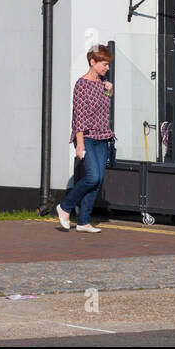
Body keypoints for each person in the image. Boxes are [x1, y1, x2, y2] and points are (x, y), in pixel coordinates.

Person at [55, 45, 116, 233]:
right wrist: (79, 144)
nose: (107, 68)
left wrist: (110, 91)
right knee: (92, 177)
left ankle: (83, 222)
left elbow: (104, 108)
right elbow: (79, 116)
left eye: (108, 64)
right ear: (93, 62)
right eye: (104, 64)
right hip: (87, 137)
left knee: (97, 181)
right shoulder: (81, 85)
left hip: (103, 136)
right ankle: (65, 207)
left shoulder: (103, 82)